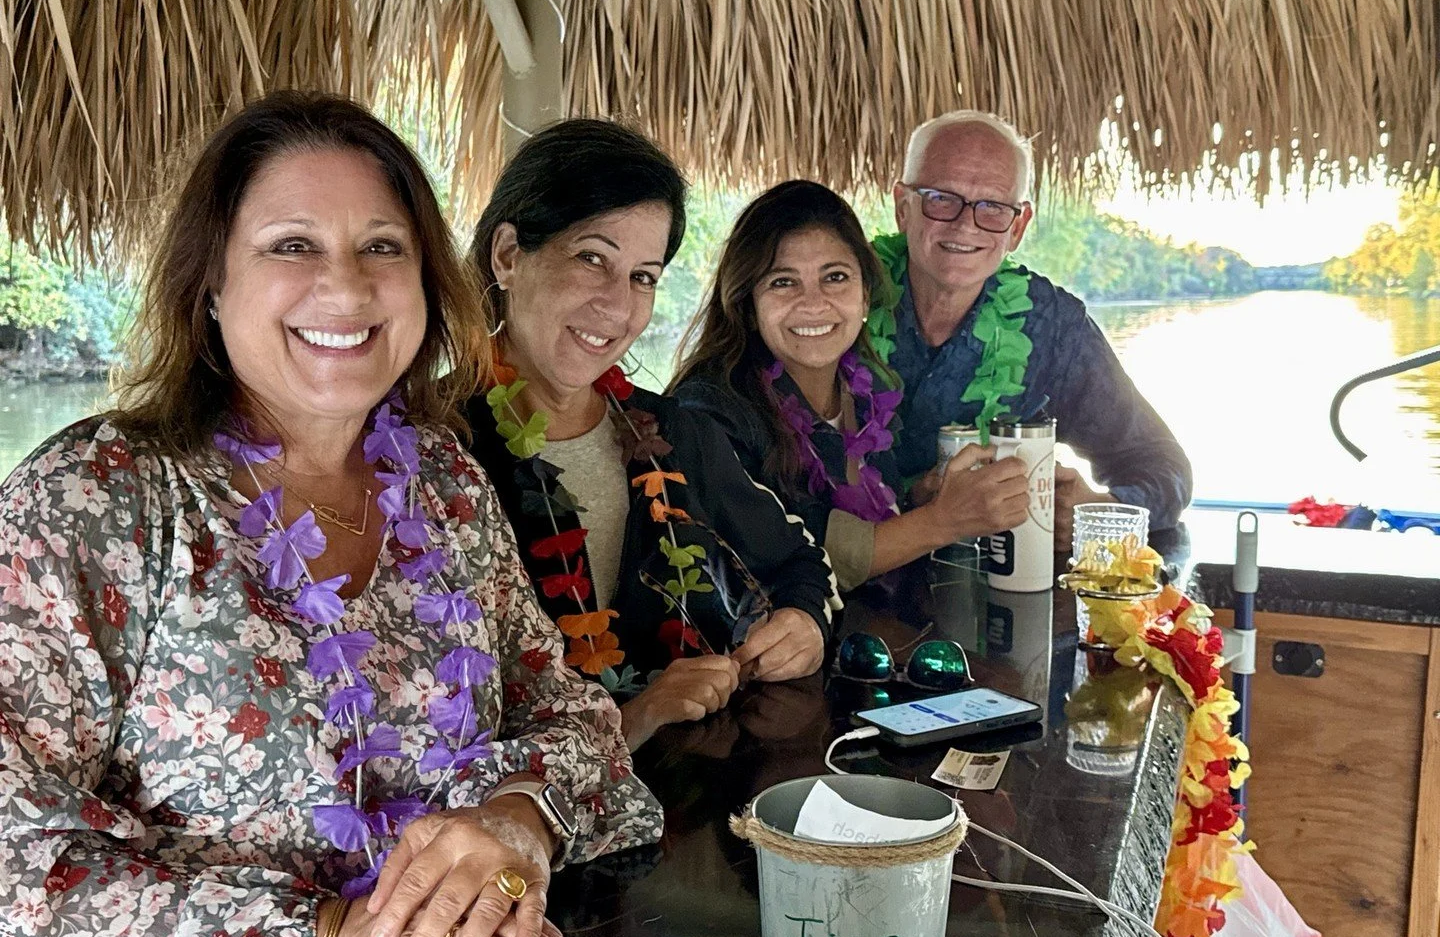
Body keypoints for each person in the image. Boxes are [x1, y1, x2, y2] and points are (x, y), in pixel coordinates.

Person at [0, 93, 663, 937]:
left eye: (381, 246)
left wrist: (517, 826)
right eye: (292, 245)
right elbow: (15, 852)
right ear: (210, 282)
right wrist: (327, 935)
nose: (346, 286)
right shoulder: (94, 499)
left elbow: (574, 720)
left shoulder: (444, 485)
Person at [463, 121, 839, 752]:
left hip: (688, 815)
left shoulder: (675, 434)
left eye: (643, 276)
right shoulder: (431, 452)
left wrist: (804, 624)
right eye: (592, 258)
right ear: (508, 255)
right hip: (519, 837)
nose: (617, 304)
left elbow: (801, 561)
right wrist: (631, 715)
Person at [670, 180, 1028, 592]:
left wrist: (920, 502)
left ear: (864, 296)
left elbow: (869, 523)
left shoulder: (866, 387)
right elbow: (791, 554)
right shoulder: (709, 412)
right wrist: (944, 519)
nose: (813, 303)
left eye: (835, 277)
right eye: (783, 282)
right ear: (747, 305)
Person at [878, 111, 1193, 544]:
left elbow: (1163, 467)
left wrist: (1100, 512)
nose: (965, 223)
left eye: (992, 206)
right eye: (941, 198)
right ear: (902, 206)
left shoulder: (1055, 329)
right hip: (838, 593)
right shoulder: (837, 305)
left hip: (1006, 590)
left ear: (1018, 227)